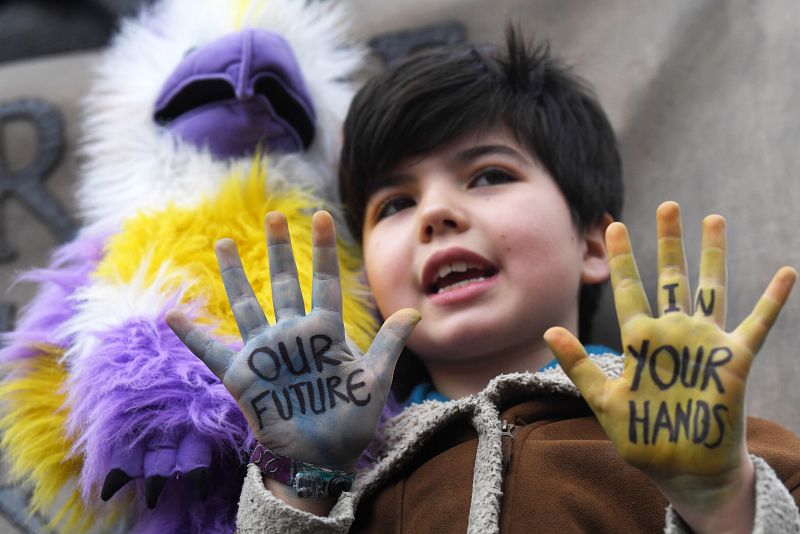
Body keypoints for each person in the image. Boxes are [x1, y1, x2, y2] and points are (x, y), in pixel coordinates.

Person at [166, 28, 800, 532]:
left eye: (489, 175)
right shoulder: (348, 480)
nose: (436, 213)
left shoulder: (711, 437)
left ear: (589, 242)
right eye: (394, 204)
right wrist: (302, 475)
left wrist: (719, 498)